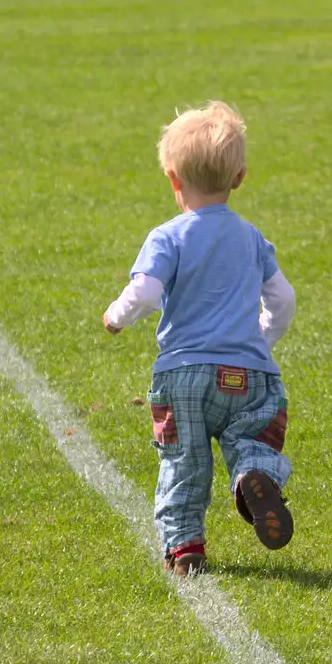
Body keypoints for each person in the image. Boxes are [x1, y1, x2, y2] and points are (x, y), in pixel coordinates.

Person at [103, 100, 297, 575]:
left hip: (184, 377)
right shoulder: (253, 238)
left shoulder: (167, 237)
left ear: (173, 178)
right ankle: (254, 475)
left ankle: (185, 548)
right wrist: (260, 340)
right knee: (253, 437)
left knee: (183, 462)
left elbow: (146, 291)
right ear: (239, 178)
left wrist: (116, 316)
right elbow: (283, 299)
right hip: (250, 375)